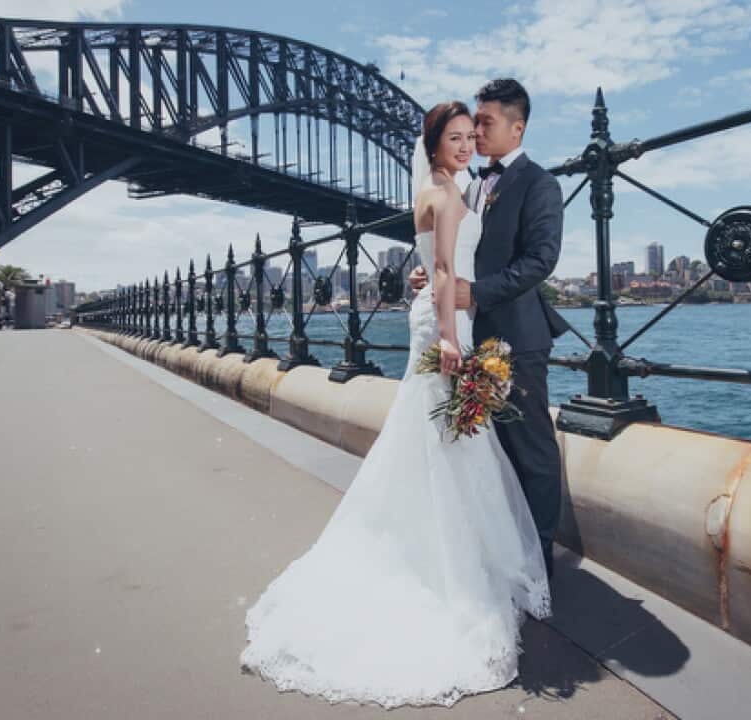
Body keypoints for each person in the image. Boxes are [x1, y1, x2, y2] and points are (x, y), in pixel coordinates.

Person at [240, 100, 550, 708]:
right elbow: (439, 268)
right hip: (445, 323)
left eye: (471, 136)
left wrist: (440, 303)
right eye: (455, 138)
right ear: (433, 144)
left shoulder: (442, 188)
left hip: (440, 314)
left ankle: (433, 550)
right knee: (449, 441)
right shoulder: (446, 192)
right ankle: (452, 566)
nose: (466, 145)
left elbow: (440, 262)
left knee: (435, 440)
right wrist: (451, 338)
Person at [410, 78, 568, 579]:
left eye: (486, 122)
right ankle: (501, 555)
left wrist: (473, 293)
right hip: (472, 335)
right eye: (472, 123)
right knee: (487, 450)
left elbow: (541, 260)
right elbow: (450, 254)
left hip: (517, 337)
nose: (475, 132)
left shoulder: (540, 184)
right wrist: (425, 273)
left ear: (517, 128)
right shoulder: (469, 185)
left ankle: (539, 562)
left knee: (532, 448)